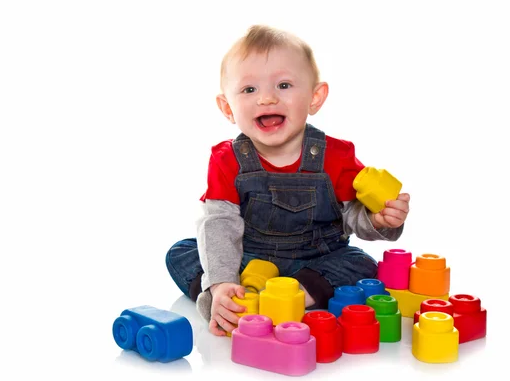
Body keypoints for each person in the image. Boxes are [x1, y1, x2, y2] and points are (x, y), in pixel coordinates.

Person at [166, 24, 411, 336]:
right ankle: (223, 297)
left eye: (283, 85)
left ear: (314, 97)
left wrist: (380, 220)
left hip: (316, 258)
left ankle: (298, 294)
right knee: (182, 252)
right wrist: (223, 279)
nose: (267, 99)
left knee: (361, 264)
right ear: (228, 108)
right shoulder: (227, 159)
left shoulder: (336, 155)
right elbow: (220, 223)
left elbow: (353, 217)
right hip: (248, 257)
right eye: (249, 90)